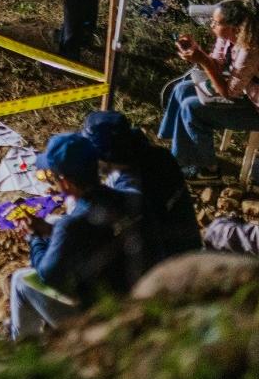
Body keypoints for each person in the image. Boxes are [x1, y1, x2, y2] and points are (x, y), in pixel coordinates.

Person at [7, 133, 146, 340]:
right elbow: (88, 235)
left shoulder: (72, 224)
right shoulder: (123, 197)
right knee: (54, 222)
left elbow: (47, 275)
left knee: (20, 281)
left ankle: (24, 353)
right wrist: (49, 230)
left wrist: (34, 237)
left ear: (66, 183)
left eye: (53, 177)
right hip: (133, 294)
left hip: (98, 316)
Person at [158, 0, 259, 180]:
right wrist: (196, 51)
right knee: (182, 88)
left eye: (216, 22)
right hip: (247, 94)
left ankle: (208, 170)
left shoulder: (250, 50)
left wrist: (203, 61)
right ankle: (176, 146)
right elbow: (218, 64)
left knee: (192, 107)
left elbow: (229, 92)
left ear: (234, 28)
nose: (211, 25)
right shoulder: (227, 39)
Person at [82, 110, 200, 266]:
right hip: (189, 246)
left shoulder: (133, 187)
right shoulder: (158, 155)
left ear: (105, 157)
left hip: (166, 265)